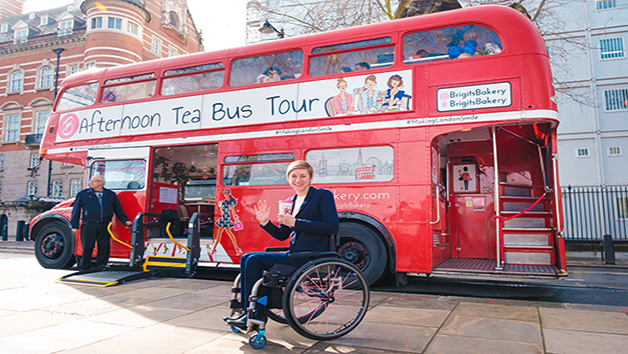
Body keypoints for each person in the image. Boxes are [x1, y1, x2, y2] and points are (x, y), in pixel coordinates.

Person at [224, 160, 339, 328]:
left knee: (254, 259)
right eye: (293, 176)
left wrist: (297, 222)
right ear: (288, 178)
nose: (298, 180)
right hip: (294, 253)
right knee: (246, 257)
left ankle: (256, 313)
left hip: (311, 255)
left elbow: (332, 226)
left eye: (302, 176)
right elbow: (282, 235)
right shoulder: (289, 202)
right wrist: (265, 222)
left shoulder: (322, 196)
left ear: (311, 178)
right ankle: (250, 311)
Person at [70, 175, 132, 270]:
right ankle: (84, 266)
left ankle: (102, 265)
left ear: (101, 183)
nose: (91, 183)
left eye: (94, 181)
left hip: (105, 224)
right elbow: (76, 210)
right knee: (87, 246)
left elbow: (118, 210)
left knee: (104, 246)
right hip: (89, 224)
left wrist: (125, 221)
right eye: (91, 181)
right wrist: (74, 225)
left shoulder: (110, 194)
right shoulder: (83, 194)